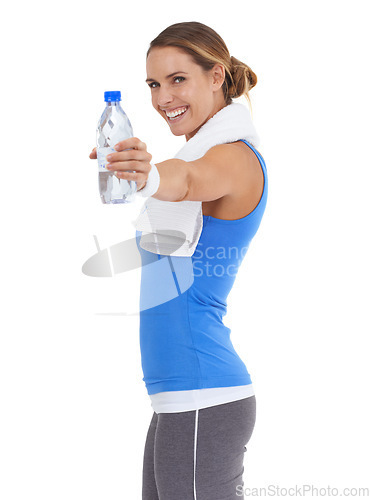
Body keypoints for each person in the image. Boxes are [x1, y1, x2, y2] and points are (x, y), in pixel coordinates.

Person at [90, 21, 268, 500]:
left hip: (204, 396)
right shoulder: (205, 151)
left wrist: (147, 176)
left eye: (178, 79)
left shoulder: (233, 158)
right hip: (182, 400)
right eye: (153, 83)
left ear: (216, 76)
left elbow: (187, 179)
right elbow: (183, 175)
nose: (163, 96)